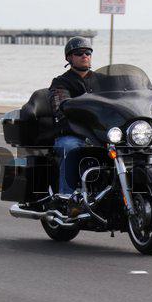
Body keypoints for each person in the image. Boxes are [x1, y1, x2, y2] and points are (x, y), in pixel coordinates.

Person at [49, 36, 100, 196]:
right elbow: (60, 106)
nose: (85, 56)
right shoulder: (61, 82)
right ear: (69, 58)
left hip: (100, 134)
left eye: (88, 53)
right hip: (72, 134)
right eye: (79, 53)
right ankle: (67, 198)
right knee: (71, 148)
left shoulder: (102, 80)